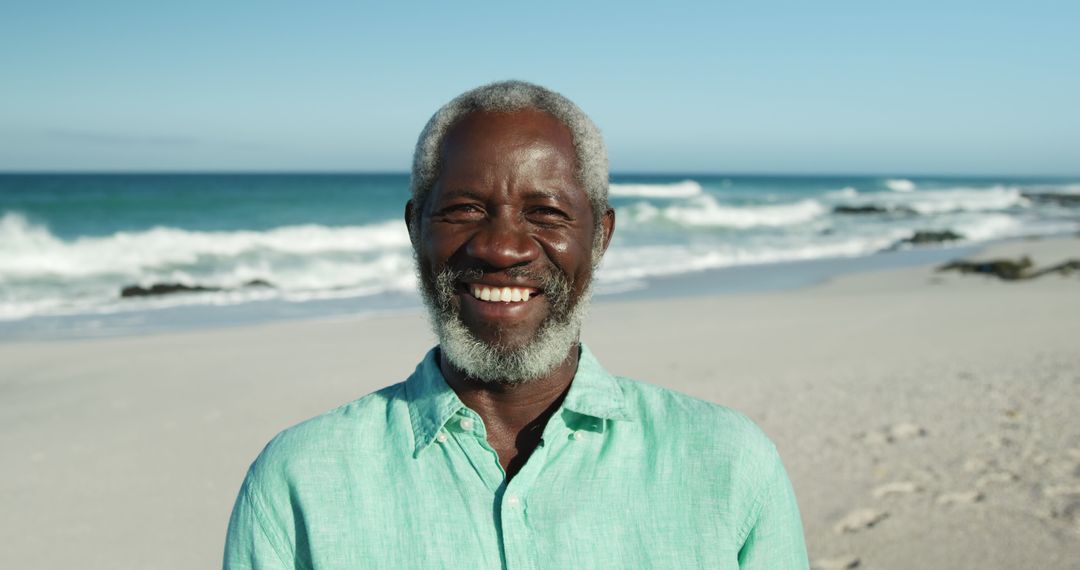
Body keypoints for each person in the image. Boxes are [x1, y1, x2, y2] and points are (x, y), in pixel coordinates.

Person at [224, 80, 809, 569]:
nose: (502, 248)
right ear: (415, 229)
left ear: (599, 236)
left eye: (545, 212)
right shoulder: (298, 480)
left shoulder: (728, 464)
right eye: (464, 210)